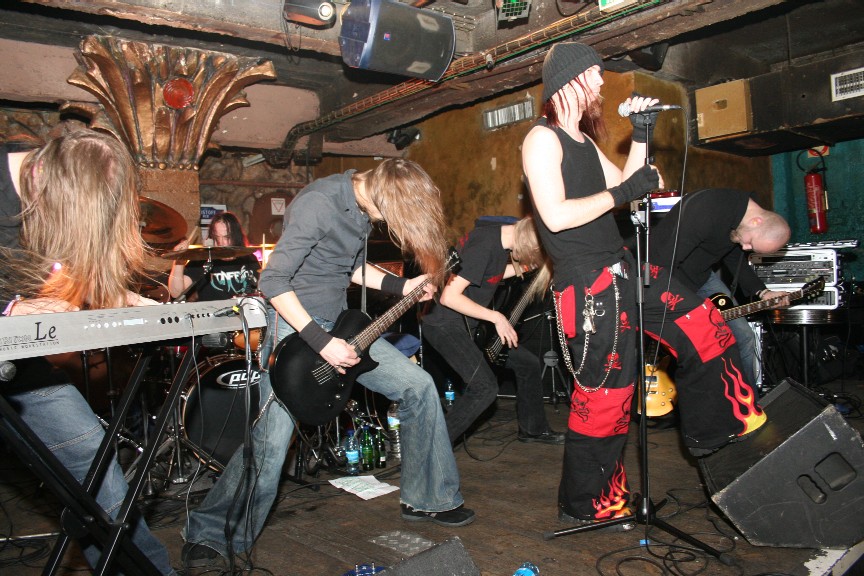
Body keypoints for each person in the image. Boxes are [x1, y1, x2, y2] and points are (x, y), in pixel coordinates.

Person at [181, 158, 474, 572]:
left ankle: (429, 499)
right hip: (297, 328)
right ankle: (210, 532)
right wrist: (322, 343)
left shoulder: (360, 207)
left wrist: (402, 285)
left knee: (418, 386)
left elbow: (348, 266)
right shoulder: (319, 202)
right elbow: (272, 281)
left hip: (340, 326)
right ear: (383, 194)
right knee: (271, 443)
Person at [0, 130, 176, 574]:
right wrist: (11, 309)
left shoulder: (56, 191)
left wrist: (123, 298)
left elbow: (75, 271)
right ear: (48, 183)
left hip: (18, 364)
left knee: (96, 473)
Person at [521, 41, 663, 529]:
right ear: (570, 80)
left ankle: (604, 494)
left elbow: (629, 185)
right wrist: (624, 190)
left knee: (618, 396)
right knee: (601, 398)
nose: (602, 82)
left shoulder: (582, 140)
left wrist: (641, 132)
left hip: (615, 275)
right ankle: (583, 502)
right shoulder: (542, 139)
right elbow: (556, 217)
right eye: (595, 73)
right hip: (587, 288)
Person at [421, 216, 563, 445]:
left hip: (468, 326)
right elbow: (449, 297)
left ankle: (533, 430)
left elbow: (489, 273)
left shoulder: (498, 239)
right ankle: (433, 446)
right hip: (444, 325)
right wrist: (496, 317)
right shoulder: (485, 245)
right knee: (484, 388)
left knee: (527, 363)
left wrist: (526, 267)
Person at [649, 189, 791, 390]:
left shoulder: (743, 216)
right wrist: (691, 307)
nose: (746, 247)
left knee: (744, 337)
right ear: (756, 222)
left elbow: (733, 254)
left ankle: (748, 403)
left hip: (701, 276)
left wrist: (763, 292)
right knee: (700, 347)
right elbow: (662, 264)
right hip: (668, 279)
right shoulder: (706, 211)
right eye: (750, 243)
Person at [167, 211, 259, 301]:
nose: (221, 243)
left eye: (226, 237)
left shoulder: (249, 259)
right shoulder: (202, 260)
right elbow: (176, 293)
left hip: (245, 309)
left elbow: (261, 290)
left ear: (236, 236)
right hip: (213, 311)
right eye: (217, 237)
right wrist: (178, 261)